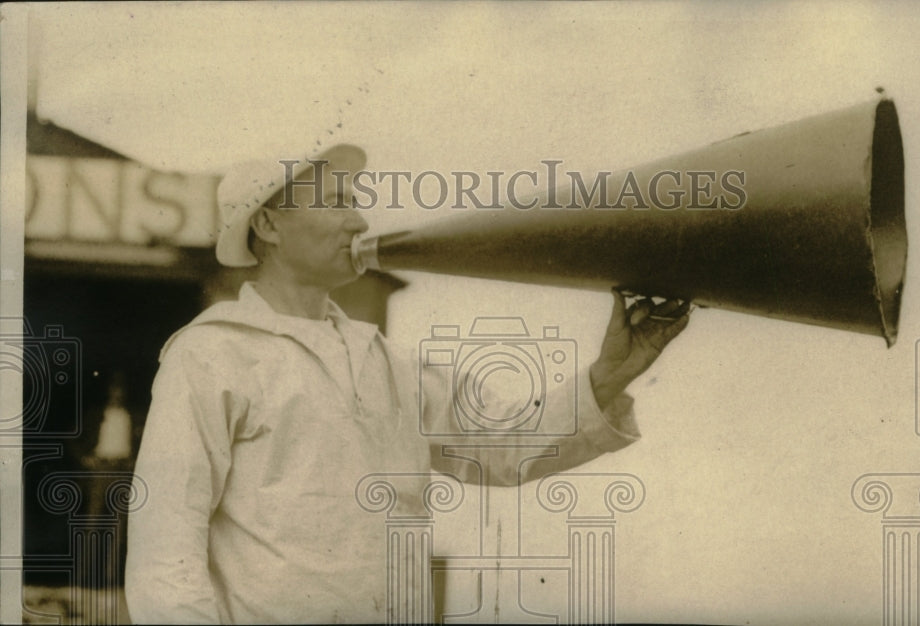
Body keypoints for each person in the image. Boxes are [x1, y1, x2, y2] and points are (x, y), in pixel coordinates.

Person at [124, 142, 691, 623]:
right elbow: (163, 551)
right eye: (336, 203)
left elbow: (503, 448)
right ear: (268, 225)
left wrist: (612, 371)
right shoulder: (210, 354)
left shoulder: (388, 363)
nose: (360, 221)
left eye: (357, 203)